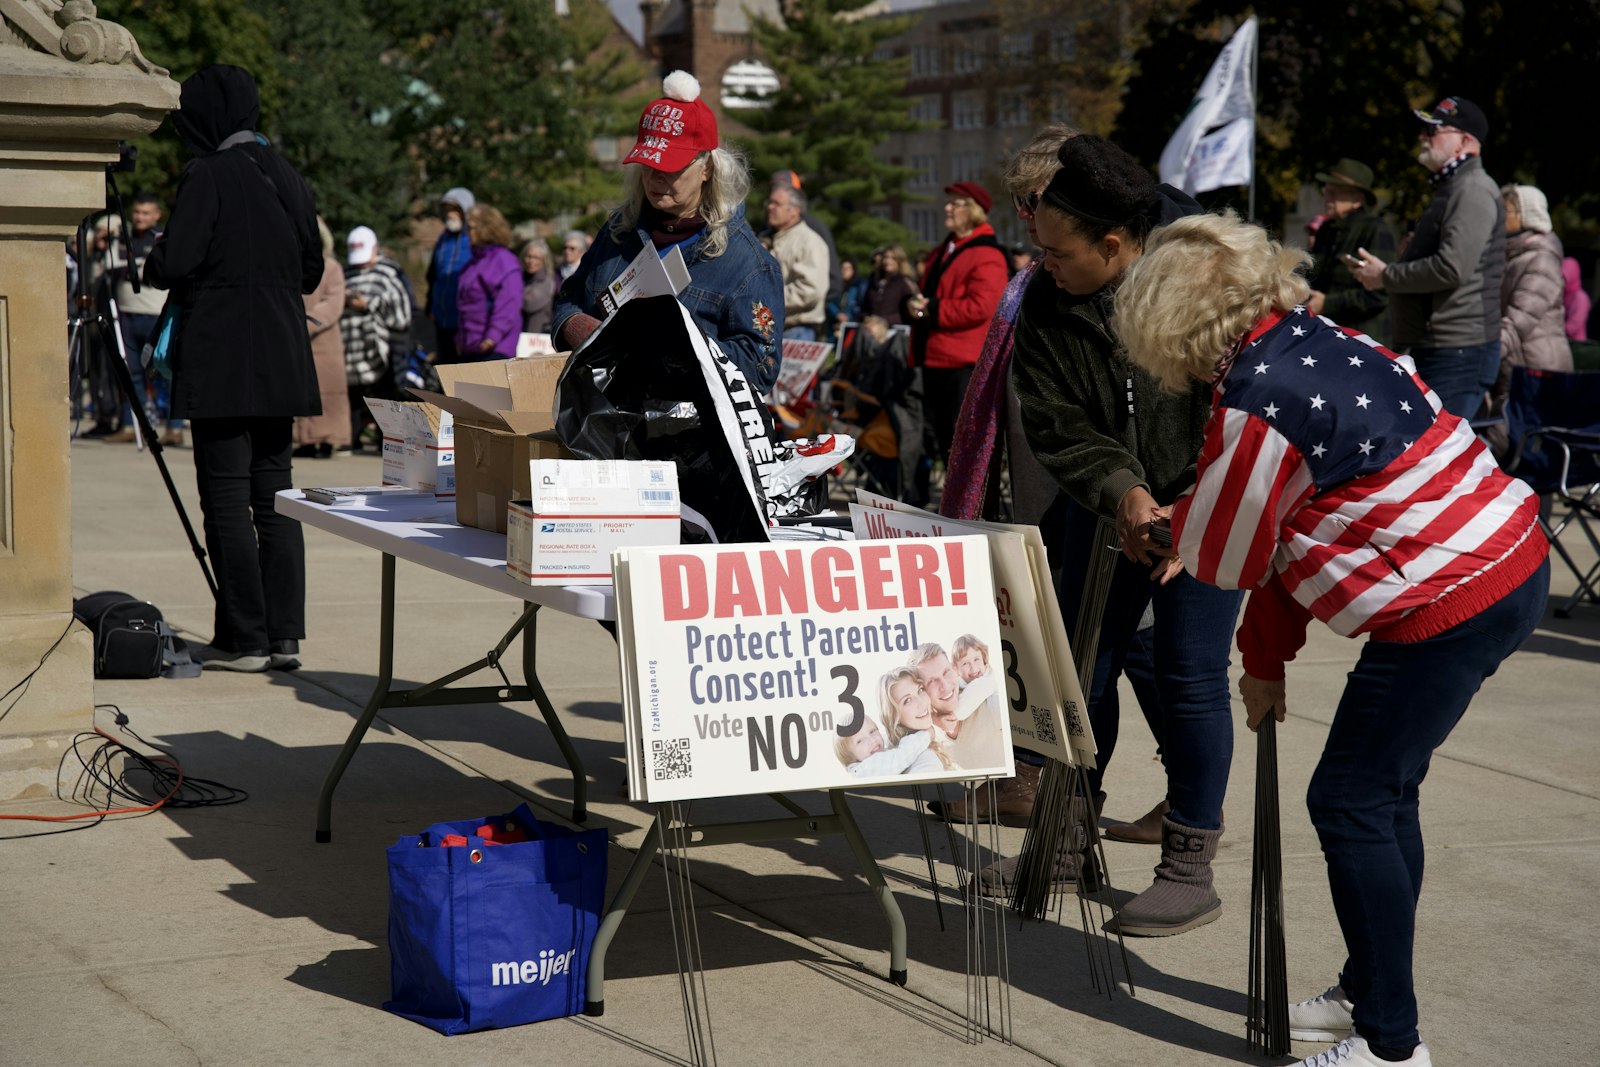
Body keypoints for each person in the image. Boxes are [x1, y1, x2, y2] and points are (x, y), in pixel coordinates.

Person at [1114, 209, 1549, 1067]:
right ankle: (1368, 990)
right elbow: (1284, 532)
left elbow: (1230, 551)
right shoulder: (1310, 336)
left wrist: (1174, 534)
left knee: (1348, 801)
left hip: (1449, 598)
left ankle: (1390, 1047)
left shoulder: (1254, 399)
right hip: (1505, 559)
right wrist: (1266, 663)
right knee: (1384, 796)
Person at [1005, 135, 1239, 935]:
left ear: (1114, 244)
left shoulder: (1207, 283)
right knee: (1080, 674)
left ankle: (1187, 864)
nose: (1043, 265)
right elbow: (1055, 420)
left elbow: (1244, 408)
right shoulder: (1048, 301)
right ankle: (1065, 841)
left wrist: (1189, 507)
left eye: (1058, 251)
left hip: (1210, 508)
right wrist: (1124, 492)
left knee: (1190, 674)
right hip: (1110, 505)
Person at [143, 64, 323, 673]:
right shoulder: (288, 175)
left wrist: (156, 256)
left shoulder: (208, 174)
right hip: (279, 352)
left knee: (224, 495)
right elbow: (311, 271)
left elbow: (179, 259)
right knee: (274, 493)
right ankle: (283, 635)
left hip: (222, 354)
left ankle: (242, 635)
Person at [551, 71, 784, 395]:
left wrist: (674, 351)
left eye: (671, 167)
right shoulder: (619, 231)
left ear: (707, 168)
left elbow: (760, 370)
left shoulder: (749, 264)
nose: (656, 177)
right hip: (600, 427)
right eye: (649, 164)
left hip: (686, 438)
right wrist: (574, 327)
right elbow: (569, 299)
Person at [1349, 96, 1504, 419]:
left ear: (1464, 141)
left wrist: (1386, 275)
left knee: (1436, 462)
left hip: (1455, 354)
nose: (1423, 137)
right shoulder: (1457, 187)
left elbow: (1451, 268)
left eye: (1435, 130)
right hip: (1443, 349)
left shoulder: (1473, 189)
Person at [907, 181, 1009, 507]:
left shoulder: (987, 254)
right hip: (936, 357)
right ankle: (953, 504)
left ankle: (969, 508)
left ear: (975, 211)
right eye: (949, 203)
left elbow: (982, 306)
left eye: (957, 204)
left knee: (963, 444)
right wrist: (912, 305)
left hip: (962, 361)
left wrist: (931, 309)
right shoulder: (944, 249)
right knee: (943, 442)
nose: (948, 208)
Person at [105, 191, 178, 445]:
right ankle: (129, 424)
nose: (140, 217)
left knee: (165, 371)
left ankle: (174, 426)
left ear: (157, 215)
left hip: (154, 314)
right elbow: (109, 268)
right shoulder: (123, 238)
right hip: (125, 314)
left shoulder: (162, 238)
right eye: (137, 212)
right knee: (130, 373)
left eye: (146, 213)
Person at [1495, 184, 1572, 410]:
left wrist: (1483, 357)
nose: (1498, 216)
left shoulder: (1541, 260)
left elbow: (1519, 321)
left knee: (1516, 441)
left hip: (1537, 373)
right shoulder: (1511, 255)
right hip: (1516, 369)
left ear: (1526, 215)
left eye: (1505, 211)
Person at [1304, 158, 1397, 344]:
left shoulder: (1376, 230)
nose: (1327, 199)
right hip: (1329, 336)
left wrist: (1327, 303)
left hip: (1365, 342)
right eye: (1326, 191)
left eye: (1334, 193)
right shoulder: (1326, 230)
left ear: (1357, 200)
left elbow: (1380, 294)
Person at [339, 225, 412, 449]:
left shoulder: (389, 271)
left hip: (382, 348)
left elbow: (402, 312)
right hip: (350, 347)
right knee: (353, 396)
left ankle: (388, 441)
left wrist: (369, 304)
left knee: (385, 396)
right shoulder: (347, 272)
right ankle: (351, 438)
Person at [293, 217, 348, 459]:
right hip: (297, 339)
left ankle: (328, 441)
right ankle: (305, 441)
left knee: (329, 392)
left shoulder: (332, 267)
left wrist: (307, 321)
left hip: (325, 342)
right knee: (301, 390)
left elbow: (334, 302)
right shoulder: (293, 266)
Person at [452, 205, 523, 361]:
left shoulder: (504, 261)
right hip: (470, 347)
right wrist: (460, 339)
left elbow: (509, 303)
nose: (466, 233)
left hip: (494, 349)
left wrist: (492, 336)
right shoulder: (472, 263)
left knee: (489, 387)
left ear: (486, 228)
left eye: (470, 228)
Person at [766, 183, 829, 340]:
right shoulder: (772, 237)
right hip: (772, 328)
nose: (770, 207)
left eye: (777, 204)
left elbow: (810, 289)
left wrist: (766, 298)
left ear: (795, 210)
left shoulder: (809, 242)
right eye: (770, 202)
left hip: (796, 331)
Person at [425, 186, 475, 364]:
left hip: (466, 319)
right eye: (446, 210)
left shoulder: (473, 238)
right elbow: (432, 276)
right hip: (442, 318)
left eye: (455, 210)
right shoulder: (442, 240)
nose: (450, 215)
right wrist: (430, 305)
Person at [879, 666, 957, 771]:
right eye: (907, 700)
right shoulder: (926, 759)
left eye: (920, 690)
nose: (921, 702)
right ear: (893, 717)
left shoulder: (898, 751)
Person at [835, 715, 937, 777]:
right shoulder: (865, 769)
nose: (872, 740)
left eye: (872, 731)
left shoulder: (875, 757)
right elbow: (898, 758)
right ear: (850, 757)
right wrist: (926, 734)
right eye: (860, 741)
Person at [858, 244, 919, 327]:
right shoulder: (875, 282)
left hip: (895, 333)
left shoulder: (906, 283)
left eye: (893, 258)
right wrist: (867, 318)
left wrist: (884, 320)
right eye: (886, 257)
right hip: (871, 332)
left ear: (900, 261)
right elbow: (864, 307)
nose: (888, 261)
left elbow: (912, 311)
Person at [519, 239, 557, 336]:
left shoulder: (547, 281)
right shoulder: (522, 277)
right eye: (529, 256)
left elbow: (529, 304)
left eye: (536, 258)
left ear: (544, 260)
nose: (531, 261)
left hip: (539, 337)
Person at [1561, 257, 1590, 341]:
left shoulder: (1580, 297)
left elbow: (1573, 326)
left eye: (1564, 277)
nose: (1562, 281)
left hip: (1576, 345)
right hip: (1562, 342)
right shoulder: (1561, 296)